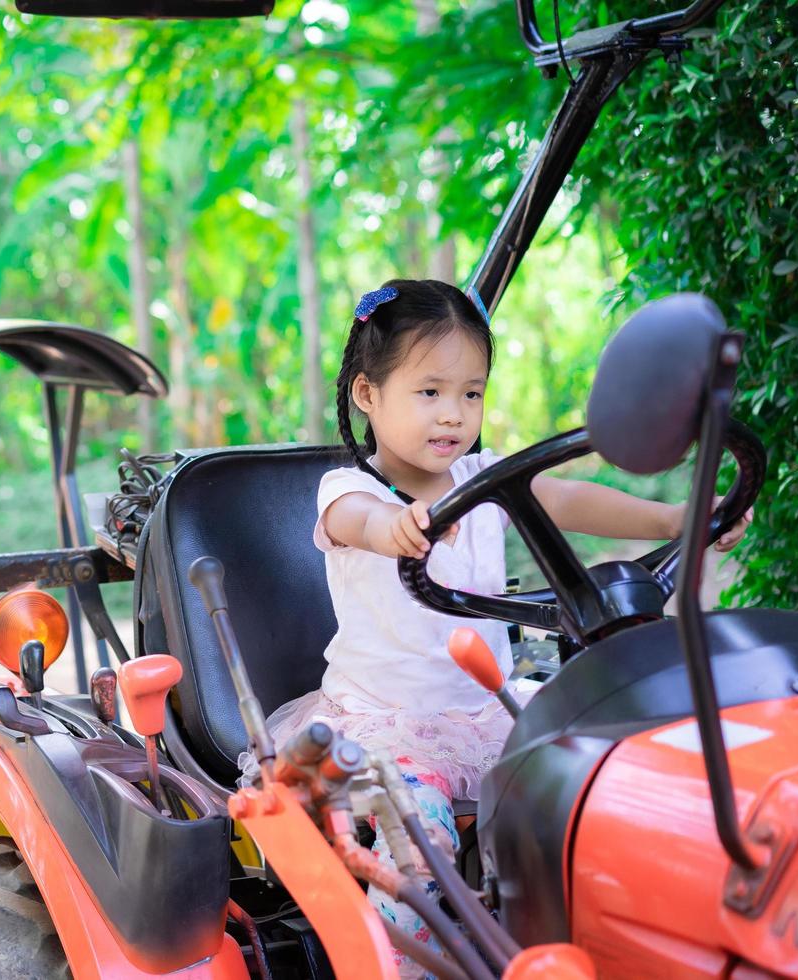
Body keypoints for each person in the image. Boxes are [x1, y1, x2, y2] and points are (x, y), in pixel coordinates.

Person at [257, 279, 752, 974]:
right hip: (385, 719)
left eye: (470, 392)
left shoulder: (485, 477)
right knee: (418, 834)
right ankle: (405, 965)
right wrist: (394, 528)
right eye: (428, 392)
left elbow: (574, 498)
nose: (453, 414)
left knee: (590, 782)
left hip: (482, 709)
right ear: (367, 395)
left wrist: (675, 519)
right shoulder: (352, 492)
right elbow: (356, 526)